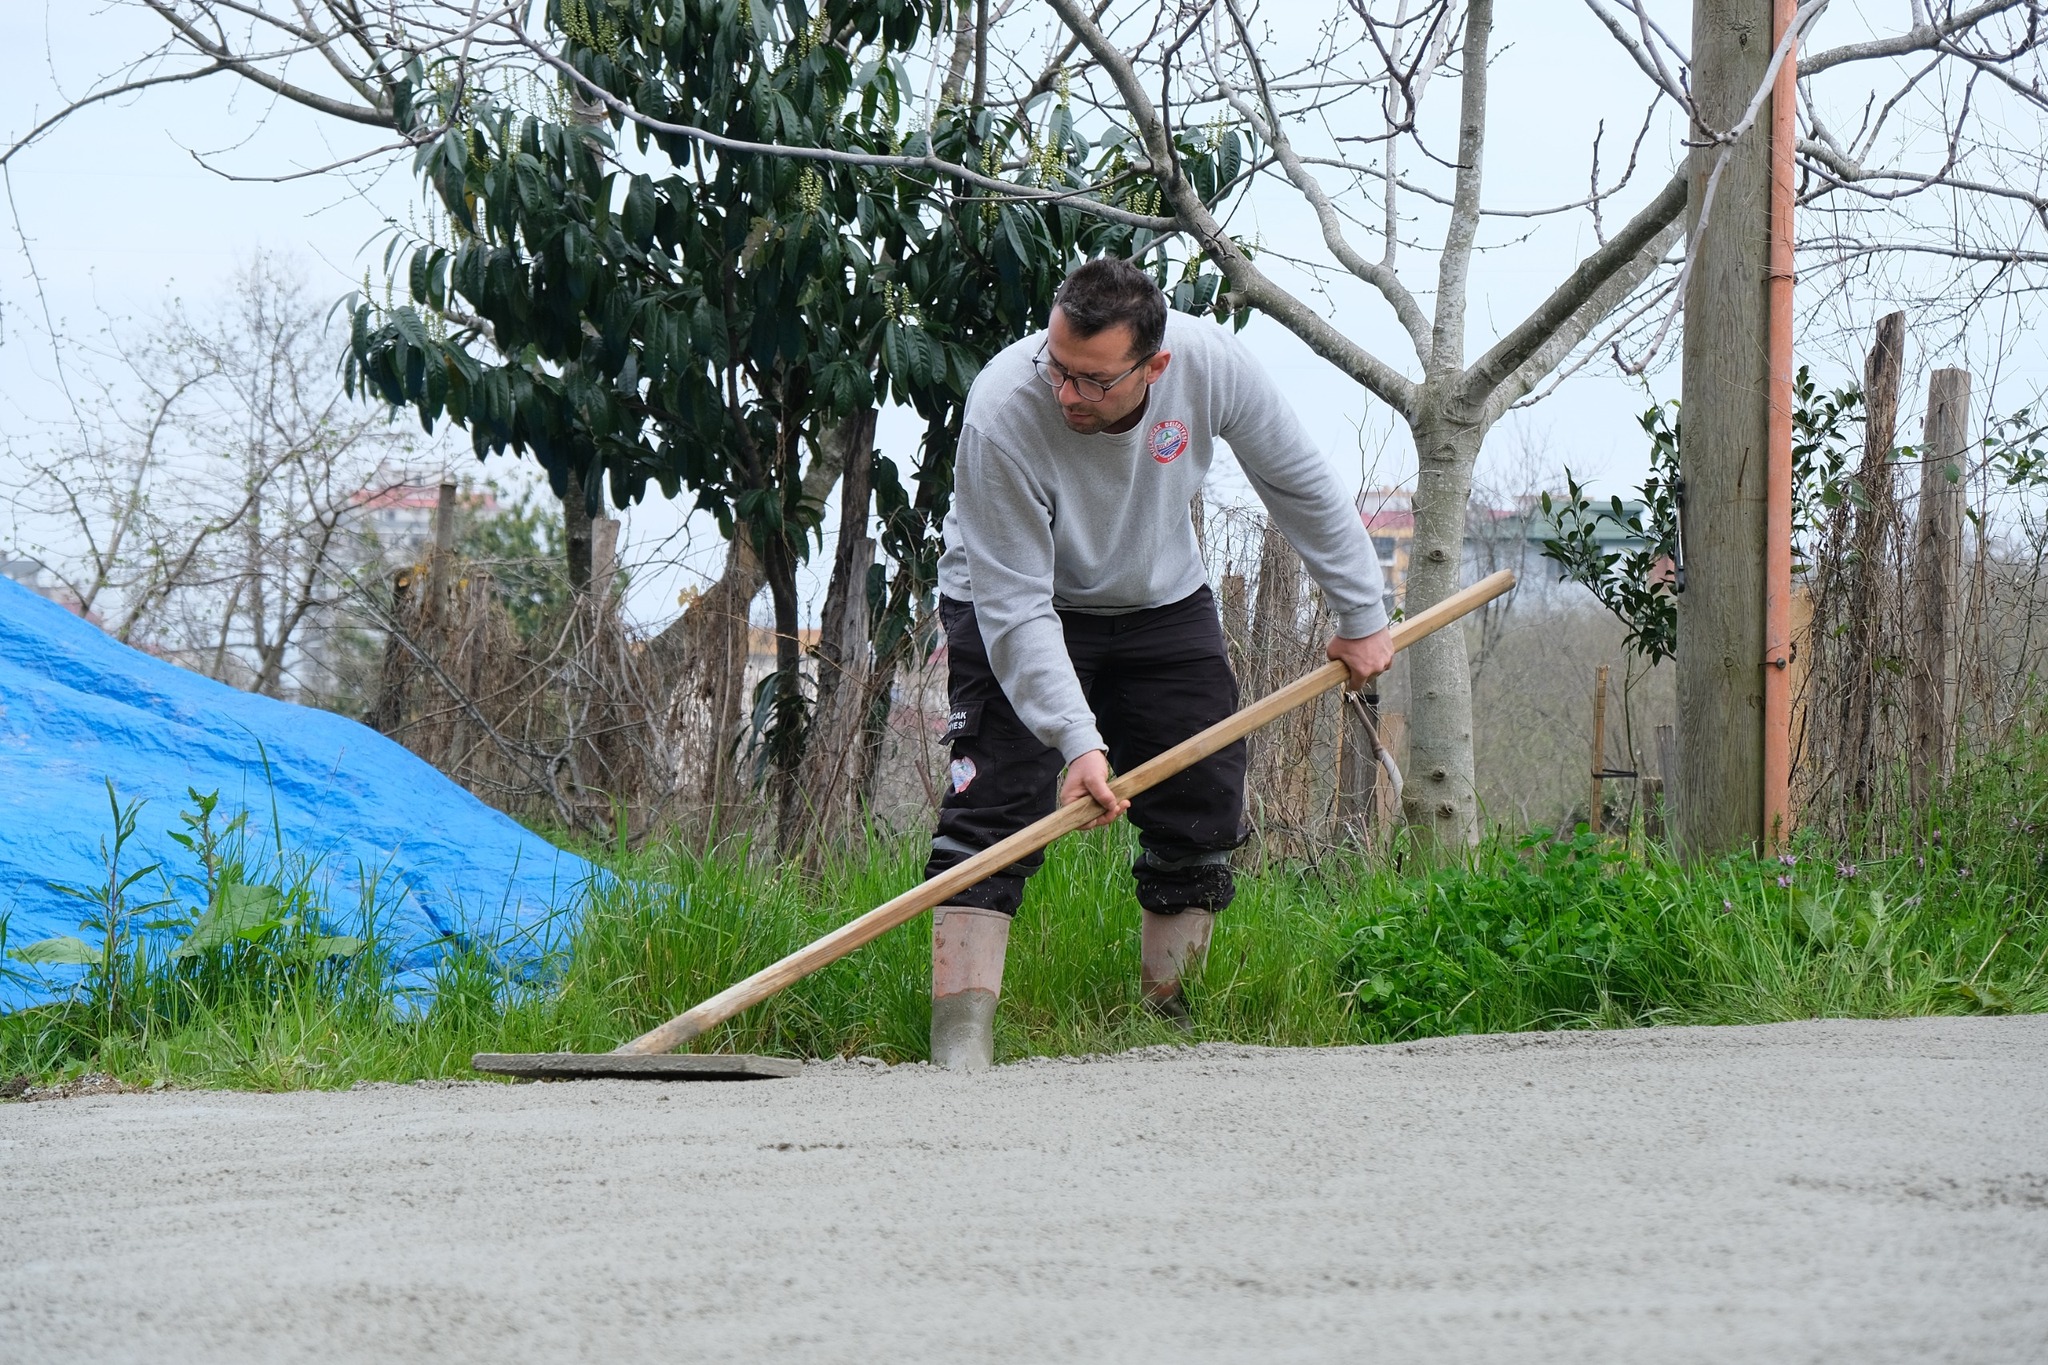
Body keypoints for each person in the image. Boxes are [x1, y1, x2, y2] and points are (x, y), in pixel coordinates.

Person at [925, 256, 1393, 1071]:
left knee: (1202, 794)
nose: (1067, 392)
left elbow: (1299, 482)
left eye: (1093, 380)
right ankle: (961, 1041)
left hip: (1157, 594)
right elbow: (1017, 607)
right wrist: (1078, 740)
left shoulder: (1210, 366)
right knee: (994, 806)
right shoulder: (1003, 410)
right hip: (1016, 599)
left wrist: (1361, 615)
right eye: (1057, 366)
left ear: (1155, 364)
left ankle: (1169, 1023)